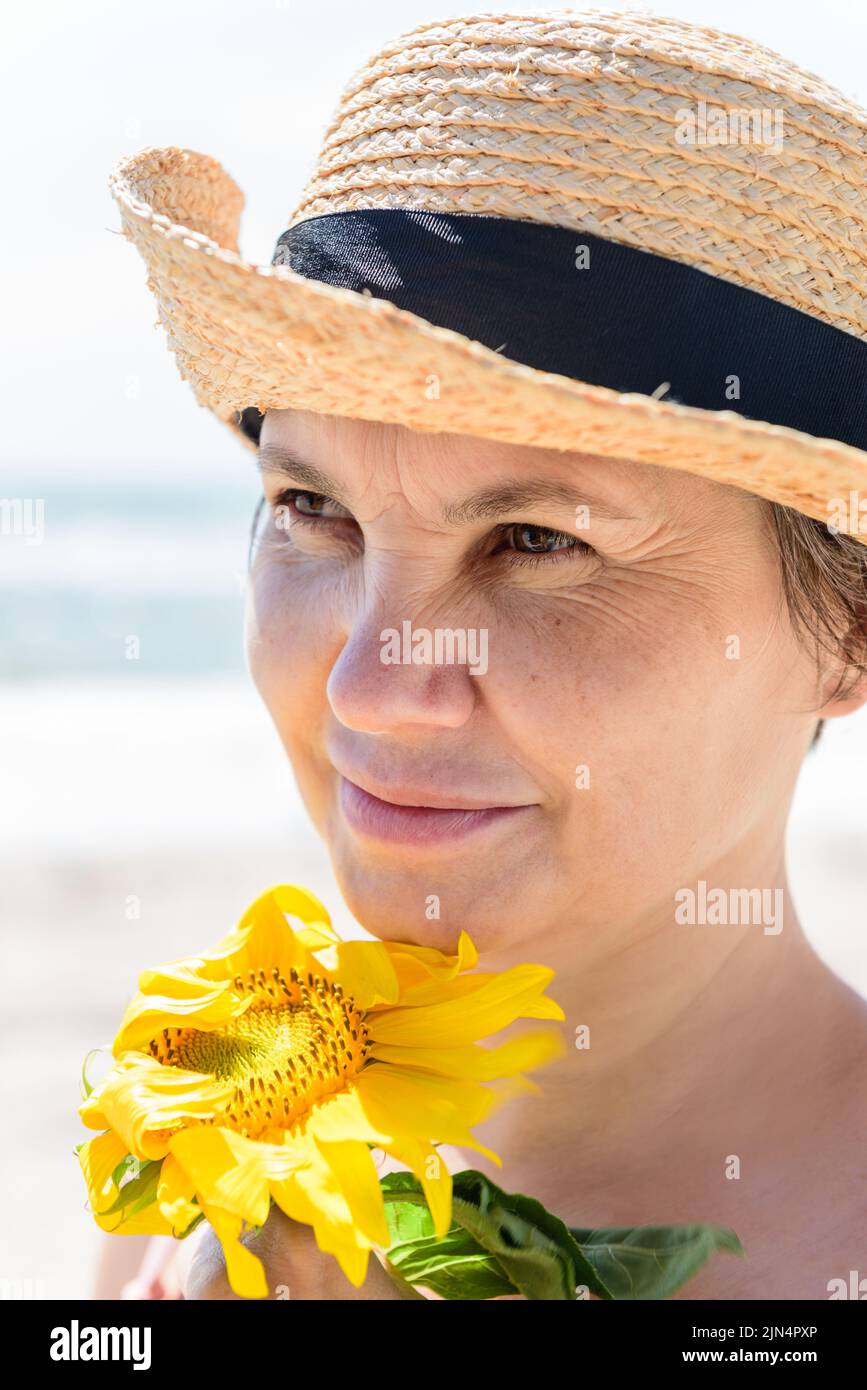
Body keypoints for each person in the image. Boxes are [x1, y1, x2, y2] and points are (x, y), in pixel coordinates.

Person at [98, 9, 867, 1299]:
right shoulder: (211, 1141)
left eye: (535, 540)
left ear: (847, 630)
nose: (368, 691)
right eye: (312, 510)